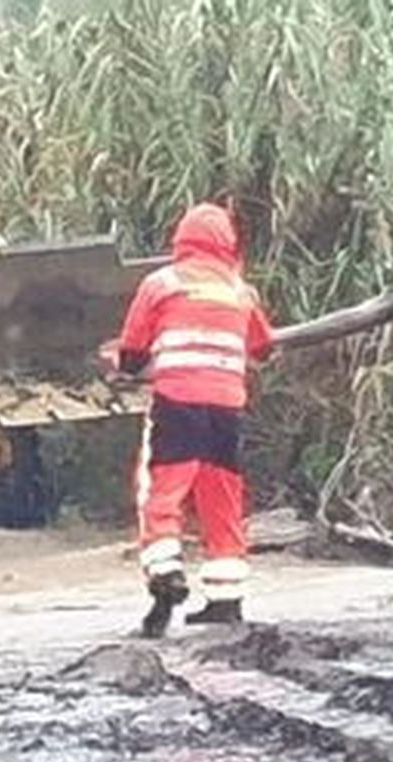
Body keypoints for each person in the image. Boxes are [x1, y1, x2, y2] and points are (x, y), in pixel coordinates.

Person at [102, 202, 274, 638]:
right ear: (226, 244)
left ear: (182, 241)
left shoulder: (163, 282)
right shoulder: (240, 290)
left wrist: (121, 364)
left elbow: (135, 348)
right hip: (226, 409)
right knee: (223, 499)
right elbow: (264, 346)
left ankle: (165, 575)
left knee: (161, 491)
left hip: (178, 403)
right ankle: (226, 600)